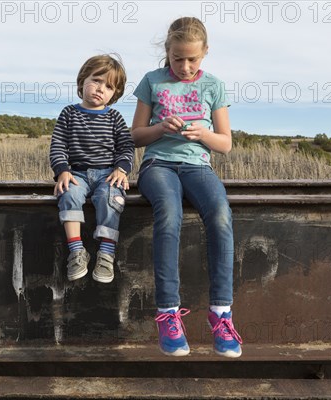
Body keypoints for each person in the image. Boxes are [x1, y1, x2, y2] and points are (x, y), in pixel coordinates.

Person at [131, 17, 242, 357]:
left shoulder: (214, 86)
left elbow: (225, 143)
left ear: (205, 53)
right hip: (157, 165)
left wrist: (203, 135)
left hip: (198, 165)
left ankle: (221, 314)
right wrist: (161, 127)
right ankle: (167, 313)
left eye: (192, 58)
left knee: (221, 214)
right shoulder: (152, 81)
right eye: (178, 58)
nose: (185, 65)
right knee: (170, 212)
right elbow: (135, 136)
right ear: (167, 51)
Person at [50, 54, 134, 284]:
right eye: (96, 80)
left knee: (112, 199)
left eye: (108, 86)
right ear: (82, 80)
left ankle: (106, 254)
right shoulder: (69, 114)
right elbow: (58, 145)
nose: (100, 89)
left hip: (107, 174)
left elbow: (126, 146)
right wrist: (62, 171)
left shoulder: (114, 117)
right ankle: (76, 251)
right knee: (68, 194)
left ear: (114, 93)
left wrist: (121, 169)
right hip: (76, 173)